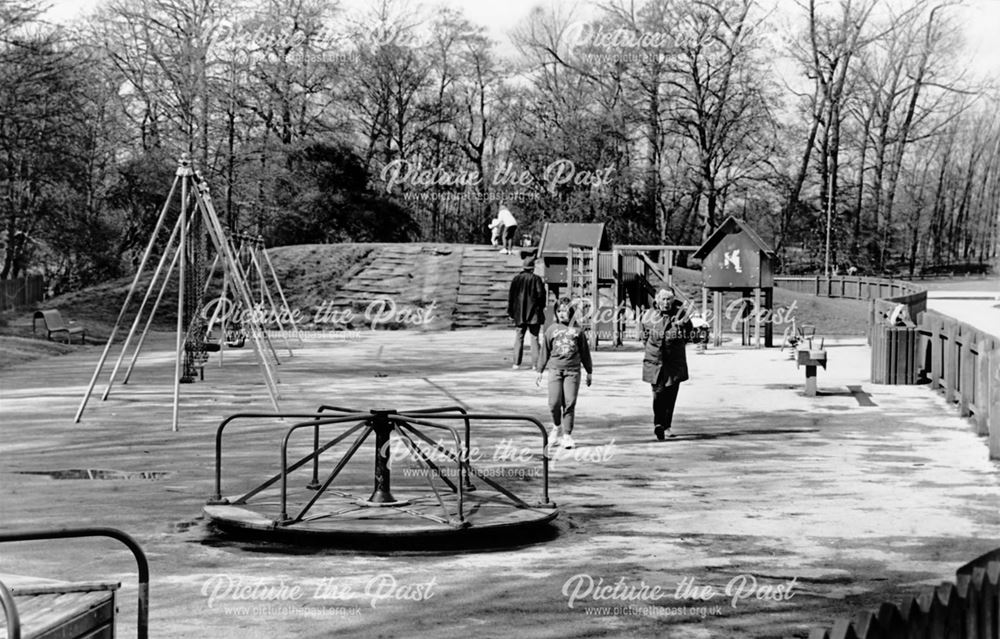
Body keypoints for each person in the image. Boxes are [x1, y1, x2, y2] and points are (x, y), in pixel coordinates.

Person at [537, 298, 592, 450]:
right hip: (555, 370)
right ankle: (556, 427)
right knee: (554, 403)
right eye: (559, 311)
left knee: (569, 402)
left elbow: (585, 352)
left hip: (572, 371)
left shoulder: (578, 330)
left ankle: (567, 435)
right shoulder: (551, 329)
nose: (562, 314)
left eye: (565, 310)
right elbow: (544, 351)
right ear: (556, 312)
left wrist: (589, 371)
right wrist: (540, 370)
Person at [641, 287, 693, 440]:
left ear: (673, 300)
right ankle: (658, 424)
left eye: (668, 299)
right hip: (654, 360)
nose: (666, 302)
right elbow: (644, 336)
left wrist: (680, 333)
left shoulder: (680, 314)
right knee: (658, 393)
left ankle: (667, 425)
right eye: (663, 299)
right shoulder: (649, 315)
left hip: (674, 361)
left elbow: (689, 333)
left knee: (670, 393)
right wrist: (653, 349)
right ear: (657, 300)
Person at [507, 256, 547, 370]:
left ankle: (516, 363)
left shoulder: (516, 279)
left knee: (519, 337)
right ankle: (535, 364)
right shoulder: (536, 279)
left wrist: (511, 312)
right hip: (534, 313)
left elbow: (511, 297)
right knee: (534, 338)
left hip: (519, 313)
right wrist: (541, 307)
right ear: (533, 268)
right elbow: (541, 295)